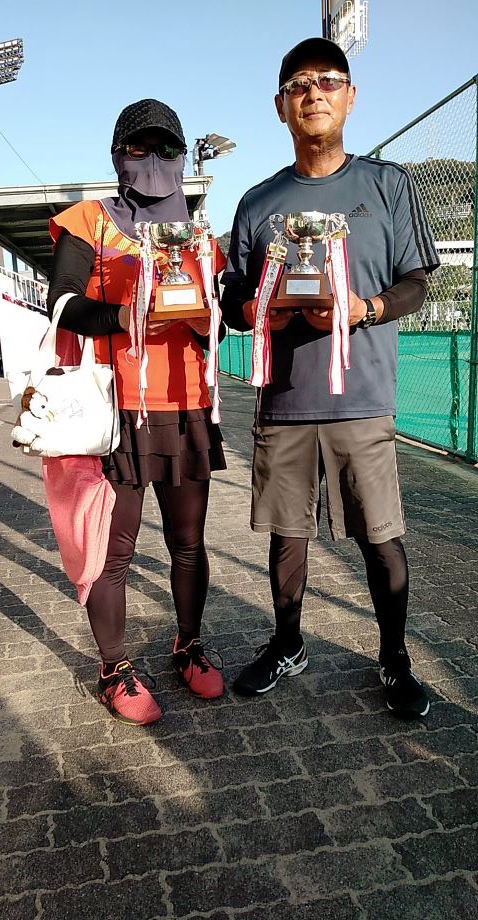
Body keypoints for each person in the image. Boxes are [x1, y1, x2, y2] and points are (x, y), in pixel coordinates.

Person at [221, 38, 439, 718]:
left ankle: (394, 657)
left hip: (362, 395)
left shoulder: (388, 185)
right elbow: (232, 301)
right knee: (287, 534)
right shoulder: (258, 203)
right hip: (285, 397)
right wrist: (260, 308)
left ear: (350, 96)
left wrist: (362, 308)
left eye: (328, 80)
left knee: (380, 535)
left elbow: (416, 282)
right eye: (299, 84)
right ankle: (288, 644)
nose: (313, 92)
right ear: (279, 105)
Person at [46, 99, 226, 725]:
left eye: (166, 149)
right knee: (114, 551)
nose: (153, 161)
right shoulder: (90, 221)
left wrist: (206, 321)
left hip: (186, 404)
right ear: (117, 155)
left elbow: (214, 325)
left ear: (182, 157)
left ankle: (188, 646)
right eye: (139, 148)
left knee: (188, 543)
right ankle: (114, 670)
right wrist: (125, 315)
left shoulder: (199, 237)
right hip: (117, 408)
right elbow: (62, 303)